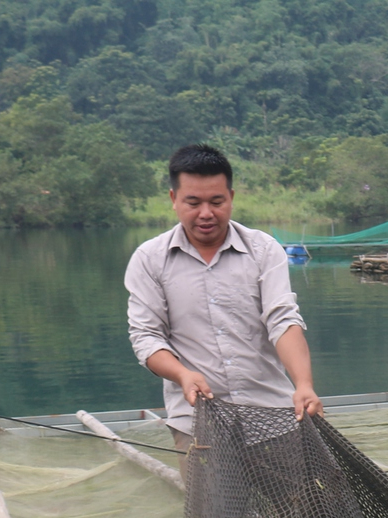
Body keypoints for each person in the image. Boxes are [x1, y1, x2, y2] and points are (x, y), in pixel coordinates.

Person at [125, 143, 322, 442]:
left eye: (217, 201)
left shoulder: (263, 250)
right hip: (198, 420)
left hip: (274, 413)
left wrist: (304, 384)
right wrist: (182, 375)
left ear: (231, 197)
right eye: (193, 203)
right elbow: (146, 337)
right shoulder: (149, 259)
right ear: (173, 199)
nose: (206, 214)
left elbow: (282, 320)